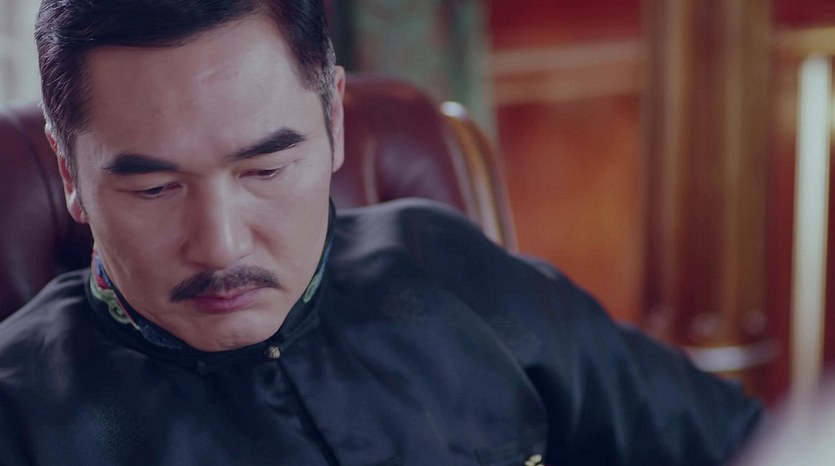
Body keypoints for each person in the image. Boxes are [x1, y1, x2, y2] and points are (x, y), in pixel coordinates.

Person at [0, 1, 761, 464]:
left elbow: (736, 441)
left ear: (333, 122)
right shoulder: (20, 421)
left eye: (265, 170)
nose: (222, 246)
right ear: (69, 173)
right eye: (154, 188)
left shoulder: (447, 267)